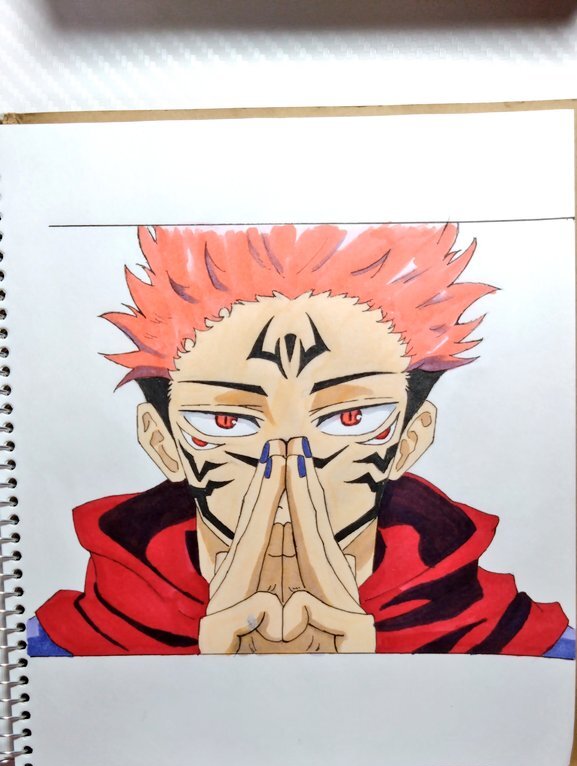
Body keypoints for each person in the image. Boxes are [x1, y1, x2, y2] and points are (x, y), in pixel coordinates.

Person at [27, 223, 575, 657]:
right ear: (164, 442)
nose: (291, 461)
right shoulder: (49, 654)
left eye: (350, 416)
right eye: (227, 422)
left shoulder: (527, 649)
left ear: (410, 438)